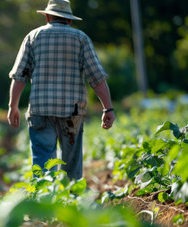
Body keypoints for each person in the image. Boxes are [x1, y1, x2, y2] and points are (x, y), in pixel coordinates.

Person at [7, 0, 115, 180]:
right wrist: (108, 108)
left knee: (43, 162)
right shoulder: (81, 39)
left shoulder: (33, 37)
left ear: (47, 17)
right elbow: (96, 78)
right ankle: (71, 200)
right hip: (72, 110)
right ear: (69, 20)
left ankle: (45, 200)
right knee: (71, 162)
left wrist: (13, 106)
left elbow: (19, 76)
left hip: (40, 109)